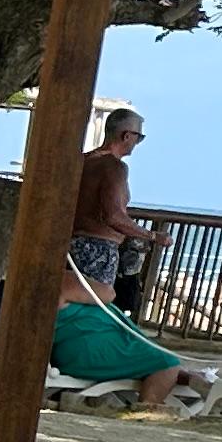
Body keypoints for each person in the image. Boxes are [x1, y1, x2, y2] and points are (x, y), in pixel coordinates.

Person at [51, 259, 204, 411]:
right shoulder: (62, 279)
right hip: (85, 348)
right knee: (167, 362)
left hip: (75, 348)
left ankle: (191, 379)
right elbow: (108, 293)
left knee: (163, 364)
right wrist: (83, 278)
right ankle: (147, 407)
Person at [75, 105, 155, 305]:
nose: (138, 142)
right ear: (126, 135)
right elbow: (113, 216)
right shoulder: (115, 167)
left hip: (73, 245)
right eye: (139, 137)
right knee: (94, 307)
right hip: (98, 250)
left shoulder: (83, 162)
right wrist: (152, 235)